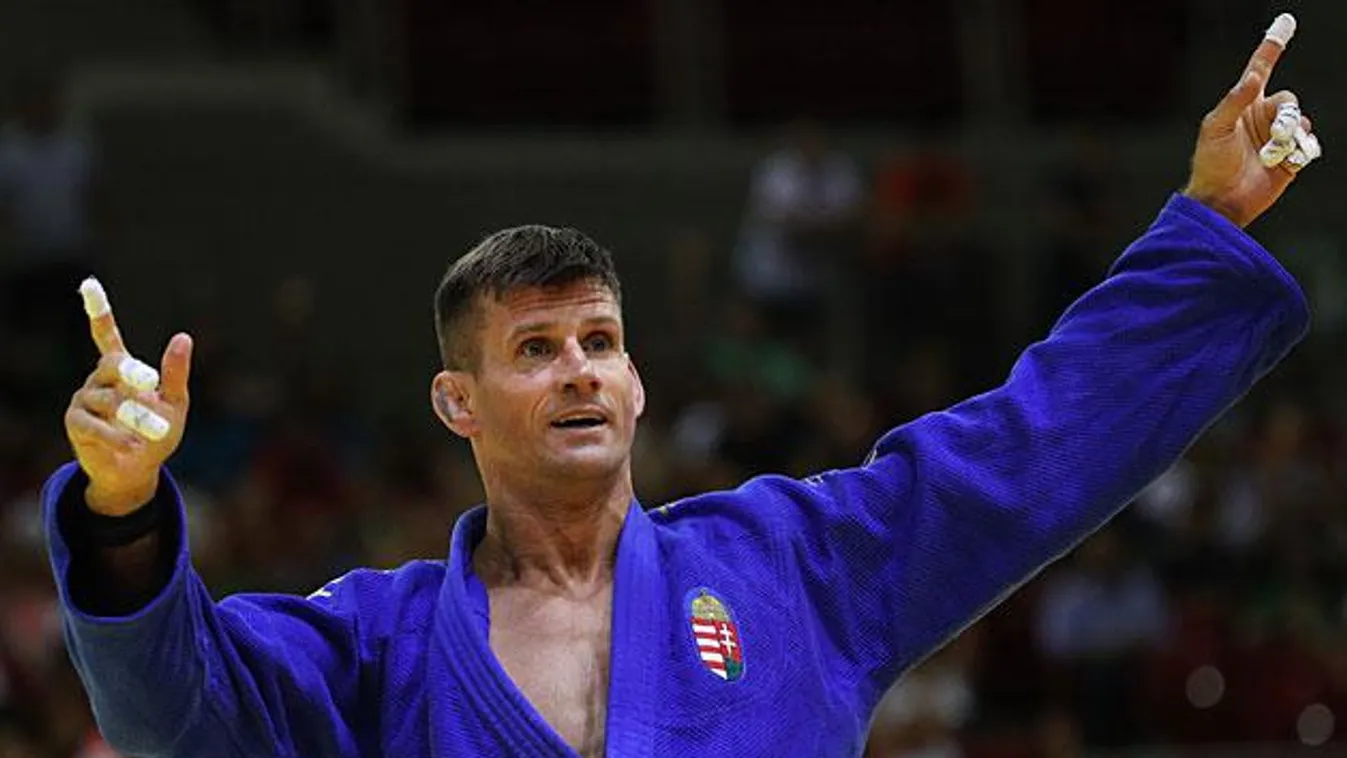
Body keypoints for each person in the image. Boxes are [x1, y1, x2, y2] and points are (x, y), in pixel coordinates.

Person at [41, 18, 1318, 758]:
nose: (578, 369)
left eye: (599, 339)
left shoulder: (799, 565)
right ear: (457, 402)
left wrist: (1205, 228)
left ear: (639, 380)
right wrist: (121, 503)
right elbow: (176, 716)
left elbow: (1028, 450)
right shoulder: (378, 642)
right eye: (534, 349)